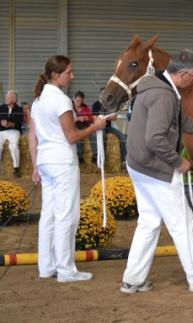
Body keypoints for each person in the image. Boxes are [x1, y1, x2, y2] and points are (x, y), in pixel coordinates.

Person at [121, 49, 193, 294]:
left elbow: (182, 122)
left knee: (148, 223)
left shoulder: (159, 87)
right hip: (156, 169)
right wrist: (177, 162)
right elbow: (155, 138)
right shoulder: (164, 96)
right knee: (184, 224)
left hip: (138, 165)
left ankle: (133, 279)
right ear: (181, 74)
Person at [28, 55, 111, 283]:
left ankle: (46, 266)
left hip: (46, 162)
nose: (72, 76)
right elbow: (72, 136)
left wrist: (35, 166)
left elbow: (32, 139)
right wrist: (96, 126)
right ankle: (66, 270)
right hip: (62, 162)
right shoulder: (62, 100)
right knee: (67, 216)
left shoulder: (37, 101)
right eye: (69, 73)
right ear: (56, 75)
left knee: (49, 215)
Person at [92, 87, 127, 170]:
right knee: (102, 138)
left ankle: (124, 161)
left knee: (122, 136)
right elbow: (94, 117)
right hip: (100, 128)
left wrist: (104, 117)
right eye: (103, 94)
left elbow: (114, 117)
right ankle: (100, 160)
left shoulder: (109, 105)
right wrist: (107, 117)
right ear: (100, 95)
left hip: (108, 127)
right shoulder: (96, 104)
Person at [0, 90, 23, 178]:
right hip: (1, 131)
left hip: (14, 131)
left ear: (14, 99)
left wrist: (9, 124)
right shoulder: (1, 107)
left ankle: (16, 168)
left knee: (13, 146)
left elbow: (19, 123)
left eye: (8, 97)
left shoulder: (19, 109)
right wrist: (1, 122)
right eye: (6, 97)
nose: (6, 98)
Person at [72, 90, 97, 165]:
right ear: (74, 99)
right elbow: (67, 119)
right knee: (79, 136)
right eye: (78, 101)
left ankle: (95, 155)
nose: (79, 103)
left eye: (81, 101)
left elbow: (91, 118)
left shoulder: (85, 107)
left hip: (84, 125)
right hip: (74, 126)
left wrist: (87, 118)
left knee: (93, 135)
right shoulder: (69, 107)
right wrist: (77, 118)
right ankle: (80, 156)